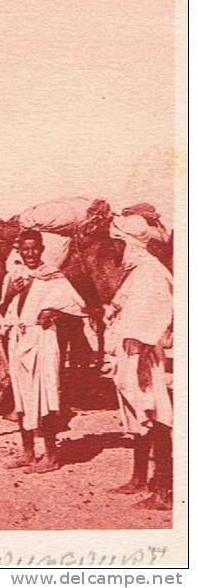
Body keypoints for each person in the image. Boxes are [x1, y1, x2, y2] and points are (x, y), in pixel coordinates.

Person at [0, 229, 86, 473]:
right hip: (18, 339)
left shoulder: (53, 277)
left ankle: (51, 456)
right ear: (19, 251)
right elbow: (3, 311)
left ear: (42, 249)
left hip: (43, 339)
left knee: (46, 397)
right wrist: (10, 294)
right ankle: (27, 453)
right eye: (25, 249)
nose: (31, 254)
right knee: (22, 398)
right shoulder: (13, 277)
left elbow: (76, 307)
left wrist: (54, 312)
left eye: (35, 248)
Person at [105, 215, 173, 511]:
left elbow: (156, 318)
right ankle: (139, 479)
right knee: (137, 417)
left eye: (117, 244)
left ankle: (164, 491)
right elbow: (122, 303)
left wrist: (142, 365)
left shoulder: (151, 273)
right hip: (130, 354)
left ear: (128, 243)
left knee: (156, 418)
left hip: (144, 358)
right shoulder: (137, 271)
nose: (114, 250)